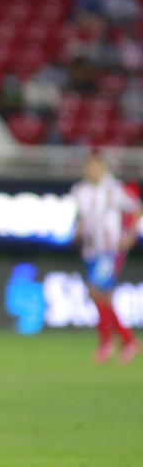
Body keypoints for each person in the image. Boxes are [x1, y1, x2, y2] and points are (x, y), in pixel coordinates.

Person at [71, 152, 142, 365]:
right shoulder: (80, 190)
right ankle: (124, 341)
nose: (90, 170)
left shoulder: (114, 189)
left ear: (103, 168)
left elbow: (136, 208)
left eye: (95, 166)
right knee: (102, 296)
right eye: (88, 166)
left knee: (95, 290)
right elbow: (83, 217)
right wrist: (78, 231)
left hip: (110, 249)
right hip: (91, 250)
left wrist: (130, 235)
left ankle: (111, 342)